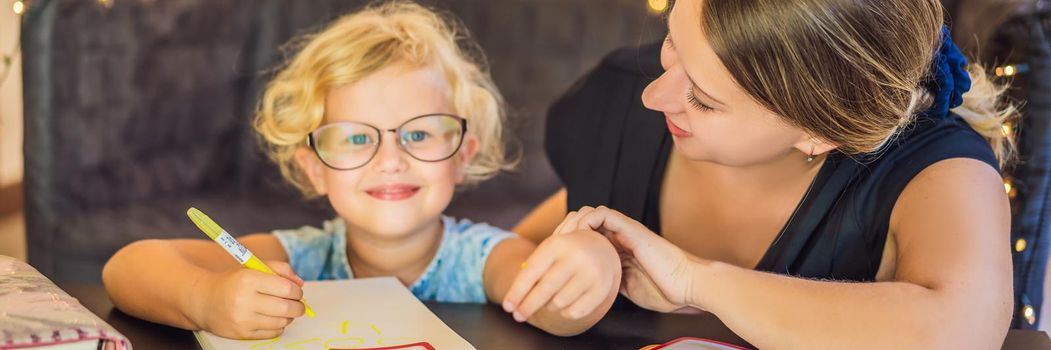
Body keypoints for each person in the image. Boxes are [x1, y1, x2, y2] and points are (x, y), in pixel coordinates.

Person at [510, 0, 1016, 348]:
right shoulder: (619, 104)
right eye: (671, 44)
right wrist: (585, 259)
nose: (654, 95)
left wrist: (695, 281)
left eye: (704, 101)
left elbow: (960, 332)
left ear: (817, 132)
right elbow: (519, 245)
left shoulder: (938, 172)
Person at [102, 2, 620, 339]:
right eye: (355, 138)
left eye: (417, 133)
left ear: (463, 155)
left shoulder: (483, 258)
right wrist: (206, 300)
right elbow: (126, 268)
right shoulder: (298, 257)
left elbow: (557, 309)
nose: (389, 159)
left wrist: (594, 267)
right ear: (314, 169)